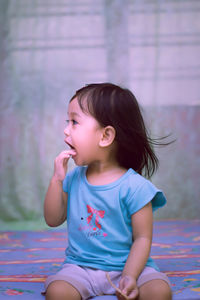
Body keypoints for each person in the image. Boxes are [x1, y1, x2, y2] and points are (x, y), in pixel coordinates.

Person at [44, 83, 172, 300]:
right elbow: (52, 219)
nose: (66, 129)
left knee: (160, 291)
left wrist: (130, 276)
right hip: (81, 268)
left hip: (129, 267)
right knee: (57, 292)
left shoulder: (135, 187)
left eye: (74, 122)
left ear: (105, 136)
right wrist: (57, 178)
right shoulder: (73, 178)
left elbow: (142, 239)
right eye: (68, 122)